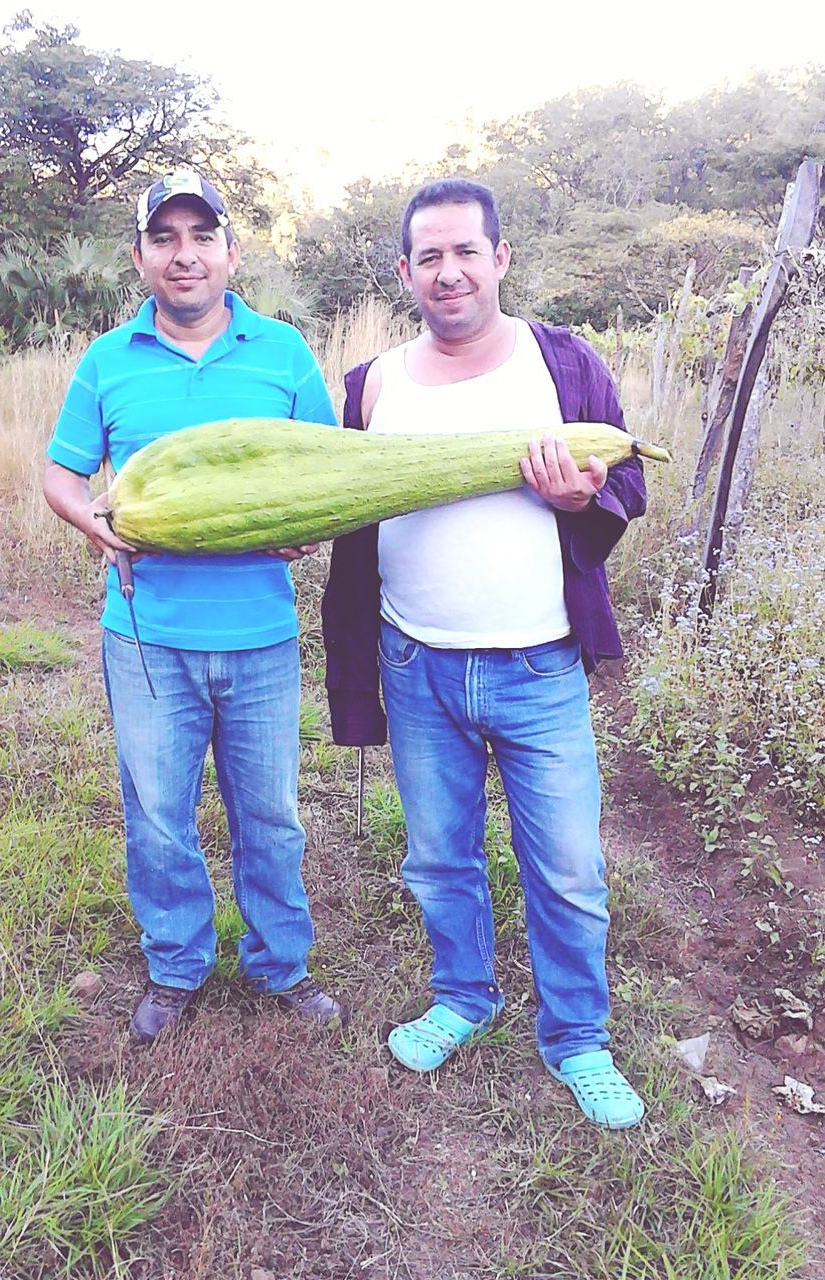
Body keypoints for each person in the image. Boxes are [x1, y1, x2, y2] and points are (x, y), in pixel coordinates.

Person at [321, 178, 646, 1128]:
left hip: (539, 667)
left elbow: (626, 480)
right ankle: (463, 996)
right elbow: (336, 507)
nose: (449, 272)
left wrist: (582, 503)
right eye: (430, 257)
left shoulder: (563, 364)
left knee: (570, 868)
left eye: (467, 251)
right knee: (438, 856)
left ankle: (578, 1036)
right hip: (416, 663)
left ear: (500, 258)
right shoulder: (371, 383)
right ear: (405, 272)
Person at [44, 168, 344, 1042]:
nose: (185, 256)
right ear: (139, 257)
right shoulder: (107, 361)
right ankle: (176, 965)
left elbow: (328, 473)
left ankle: (281, 965)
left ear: (230, 251)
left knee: (273, 815)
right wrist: (96, 524)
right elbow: (63, 475)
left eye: (201, 237)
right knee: (158, 814)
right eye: (165, 239)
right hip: (145, 636)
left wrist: (312, 528)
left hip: (259, 635)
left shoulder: (283, 352)